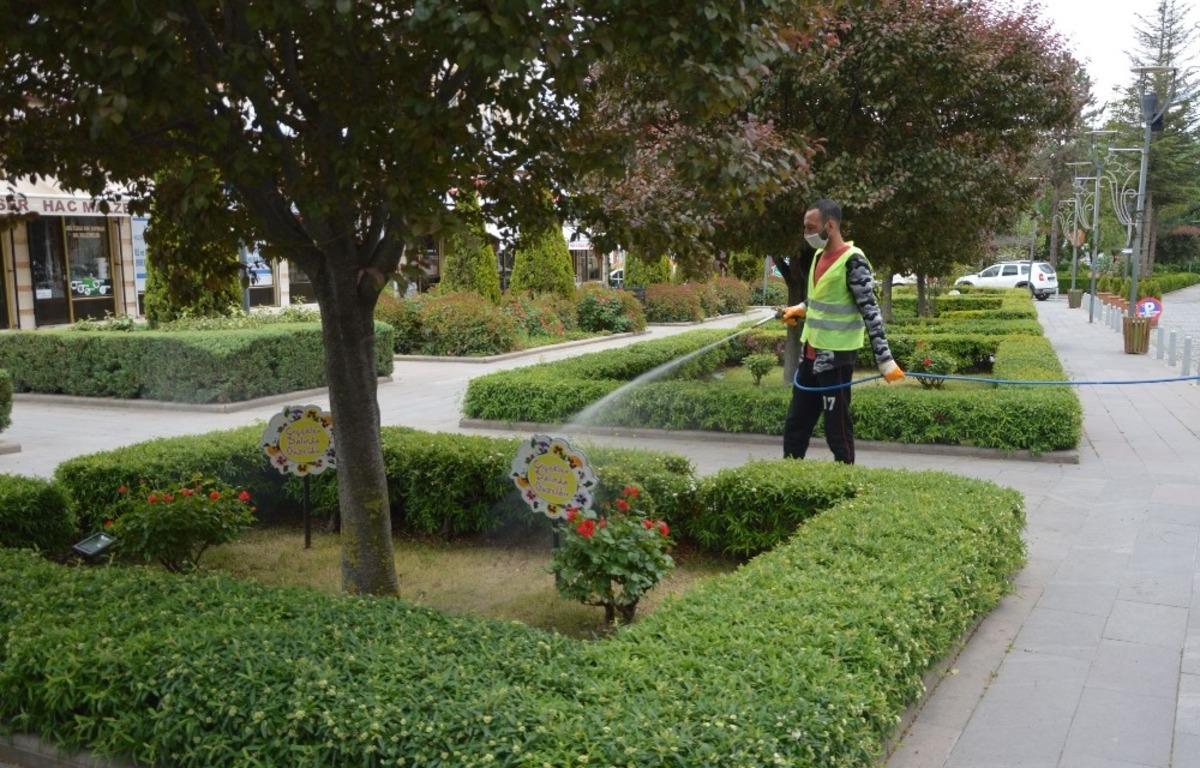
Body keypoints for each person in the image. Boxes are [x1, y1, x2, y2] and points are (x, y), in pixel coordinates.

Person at [779, 199, 904, 463]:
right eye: (805, 227)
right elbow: (819, 299)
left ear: (831, 225)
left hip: (836, 358)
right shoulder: (817, 256)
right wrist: (800, 308)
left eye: (811, 227)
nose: (807, 234)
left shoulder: (853, 261)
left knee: (837, 429)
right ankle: (789, 476)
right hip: (810, 354)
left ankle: (845, 482)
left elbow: (871, 312)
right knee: (795, 424)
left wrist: (885, 360)